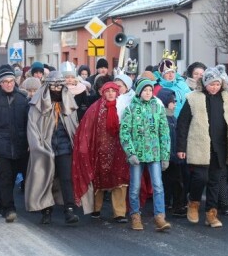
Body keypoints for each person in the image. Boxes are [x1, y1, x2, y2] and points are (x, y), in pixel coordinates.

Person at [176, 67, 228, 228]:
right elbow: (182, 124)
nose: (214, 87)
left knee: (215, 181)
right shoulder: (193, 98)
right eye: (211, 84)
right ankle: (194, 203)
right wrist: (181, 147)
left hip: (220, 146)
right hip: (199, 145)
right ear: (205, 84)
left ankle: (211, 213)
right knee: (200, 177)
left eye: (217, 84)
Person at [25, 71, 80, 225]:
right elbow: (32, 127)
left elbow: (74, 125)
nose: (56, 88)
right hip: (44, 146)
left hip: (64, 146)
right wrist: (38, 146)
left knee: (66, 178)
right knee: (45, 177)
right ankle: (46, 210)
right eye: (53, 85)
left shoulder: (68, 102)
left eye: (59, 85)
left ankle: (69, 210)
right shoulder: (37, 104)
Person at [72, 82, 130, 223]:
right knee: (98, 180)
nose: (110, 93)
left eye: (113, 91)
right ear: (103, 92)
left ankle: (119, 213)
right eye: (107, 91)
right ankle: (95, 209)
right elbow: (86, 128)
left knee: (119, 179)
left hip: (119, 149)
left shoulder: (123, 107)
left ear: (117, 92)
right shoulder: (95, 108)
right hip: (99, 150)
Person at [120, 79, 171, 231]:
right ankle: (135, 215)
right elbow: (124, 133)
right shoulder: (130, 109)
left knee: (158, 186)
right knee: (135, 186)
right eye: (145, 90)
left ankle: (160, 216)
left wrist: (165, 155)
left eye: (150, 90)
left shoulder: (158, 108)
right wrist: (130, 153)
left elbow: (164, 133)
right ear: (139, 92)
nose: (148, 93)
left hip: (154, 153)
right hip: (137, 154)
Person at [0, 65, 29, 222]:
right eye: (5, 81)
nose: (9, 84)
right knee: (5, 178)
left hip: (21, 145)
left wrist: (30, 143)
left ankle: (6, 204)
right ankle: (9, 208)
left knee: (20, 177)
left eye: (11, 81)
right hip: (1, 146)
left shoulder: (22, 99)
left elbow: (28, 123)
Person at [156, 88, 185, 217]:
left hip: (174, 156)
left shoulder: (173, 117)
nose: (175, 104)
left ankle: (174, 203)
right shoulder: (162, 117)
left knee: (175, 181)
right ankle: (174, 204)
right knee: (170, 181)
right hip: (166, 155)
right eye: (172, 101)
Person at [152, 51, 191, 117]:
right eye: (167, 73)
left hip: (184, 122)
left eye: (172, 72)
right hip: (168, 122)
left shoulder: (182, 84)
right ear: (162, 74)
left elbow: (191, 100)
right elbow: (153, 108)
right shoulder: (158, 87)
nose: (170, 75)